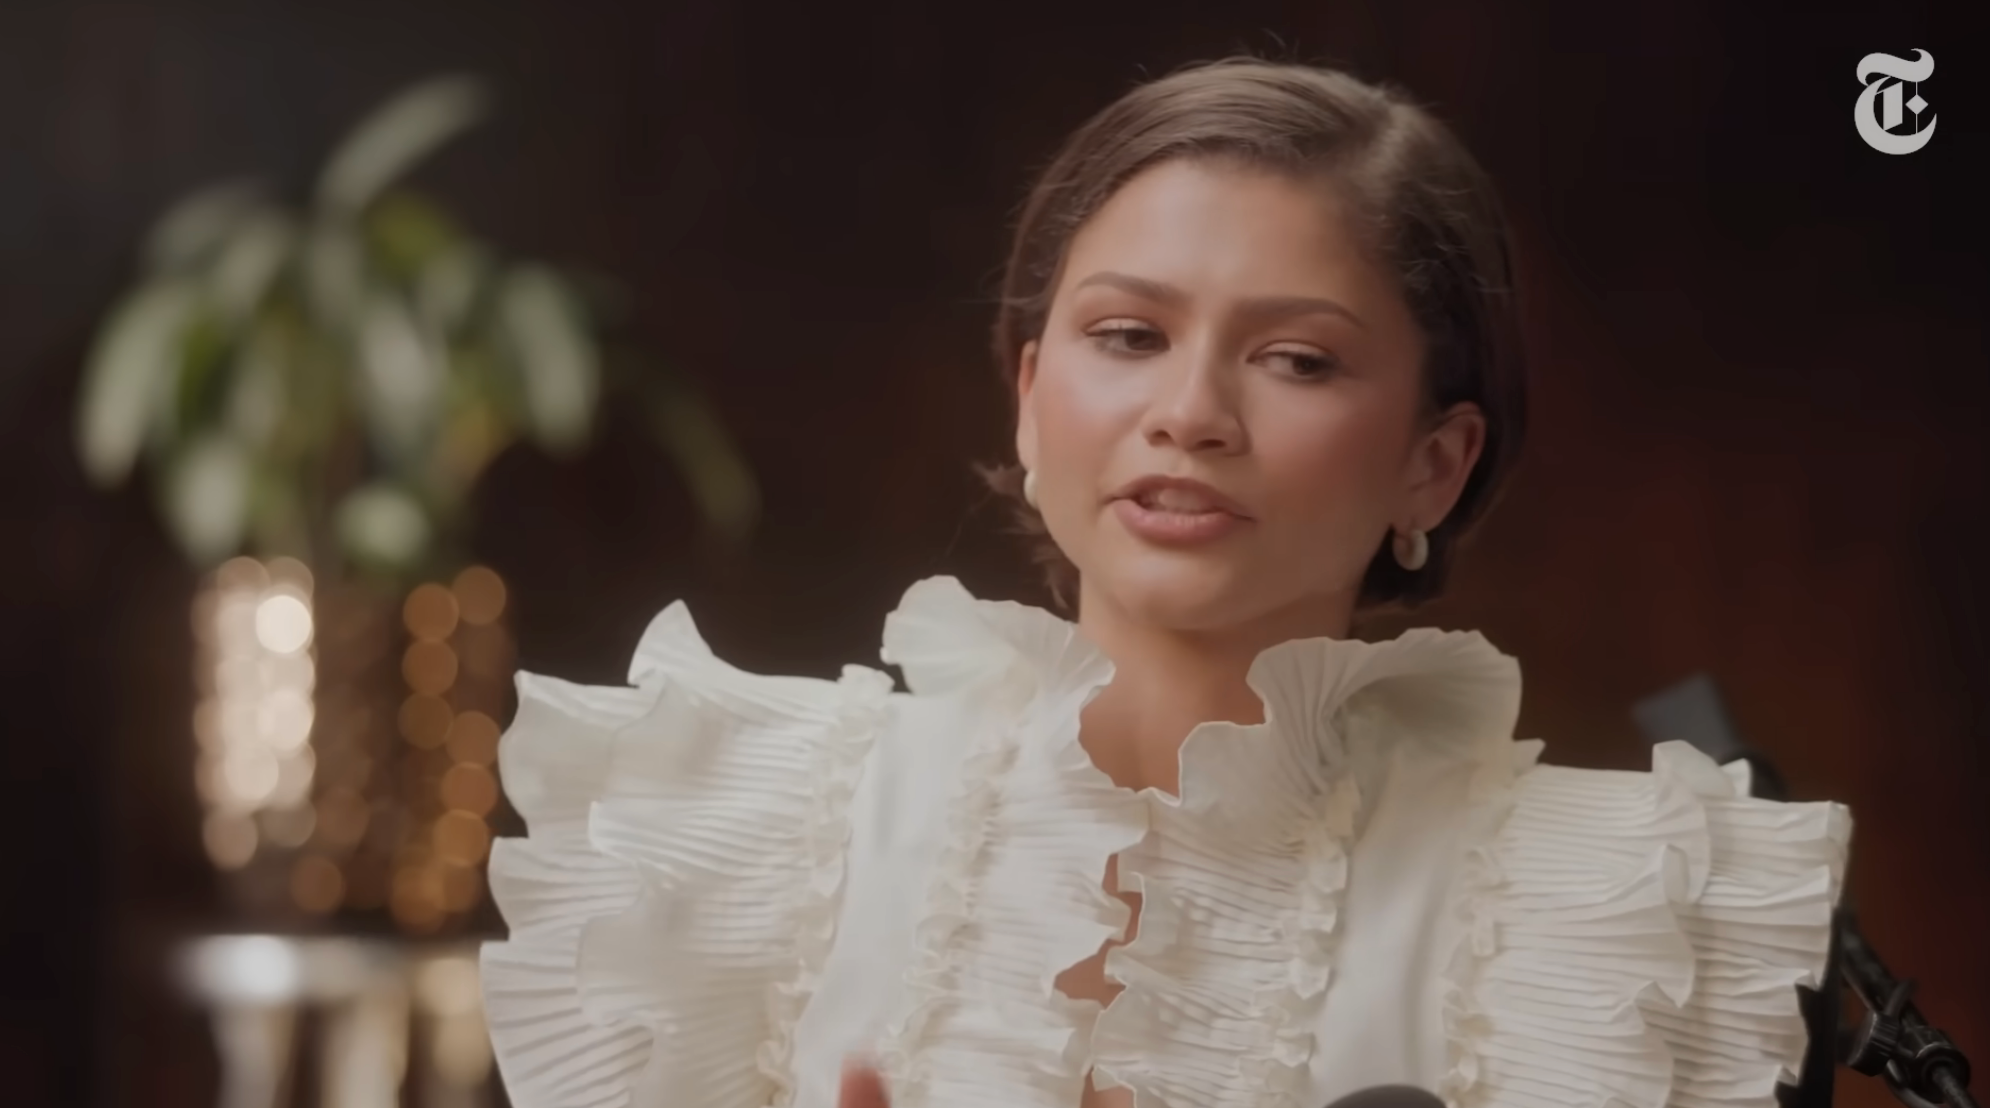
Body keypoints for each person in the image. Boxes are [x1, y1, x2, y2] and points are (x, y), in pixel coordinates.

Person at [478, 58, 1851, 1108]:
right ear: (1029, 400)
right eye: (1125, 334)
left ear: (1434, 464)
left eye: (1297, 359)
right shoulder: (749, 820)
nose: (1189, 411)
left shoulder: (1589, 910)